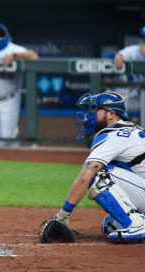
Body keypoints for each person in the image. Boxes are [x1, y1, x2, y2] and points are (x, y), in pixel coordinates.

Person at [43, 91, 145, 243]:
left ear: (111, 114)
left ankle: (137, 224)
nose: (87, 115)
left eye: (94, 110)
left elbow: (85, 177)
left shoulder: (113, 135)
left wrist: (63, 215)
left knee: (99, 175)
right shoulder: (132, 130)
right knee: (110, 225)